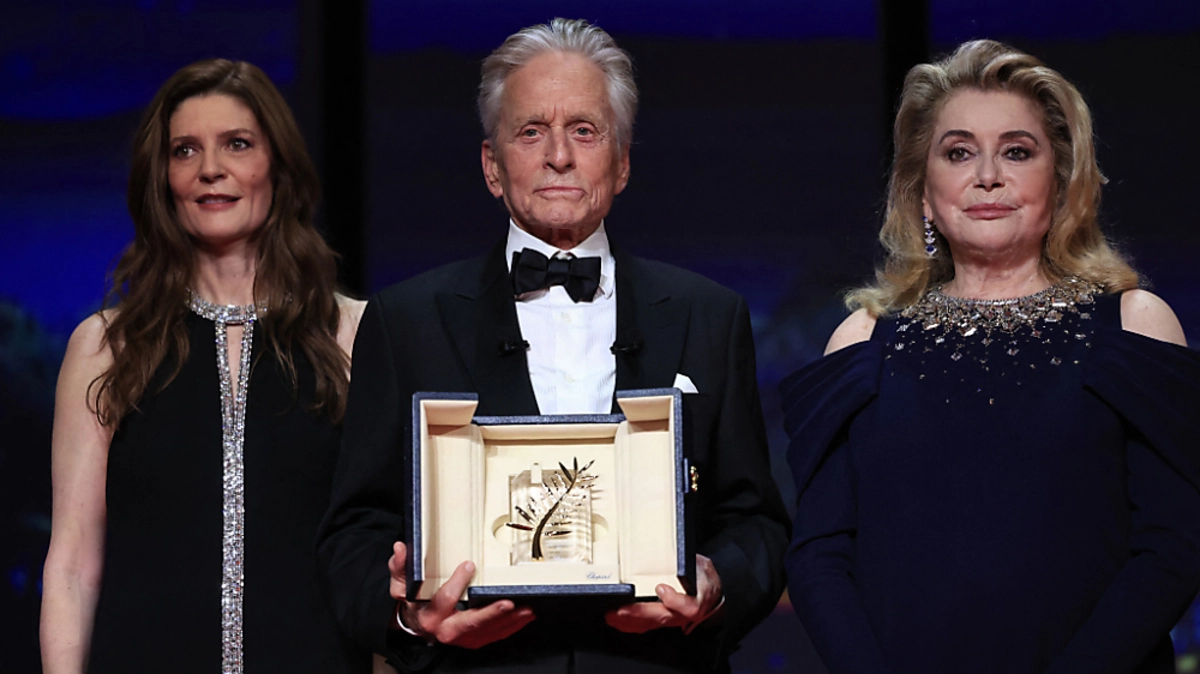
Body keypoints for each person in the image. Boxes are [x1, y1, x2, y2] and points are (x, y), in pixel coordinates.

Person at [317, 18, 789, 674]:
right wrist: (408, 615)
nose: (559, 156)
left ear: (622, 163)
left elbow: (757, 525)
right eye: (532, 130)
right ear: (492, 166)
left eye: (585, 131)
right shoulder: (405, 321)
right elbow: (354, 533)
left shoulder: (709, 316)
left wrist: (714, 586)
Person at [780, 39, 1200, 674]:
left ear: (1061, 181)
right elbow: (819, 557)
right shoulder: (863, 339)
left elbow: (1172, 547)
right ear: (923, 191)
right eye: (958, 152)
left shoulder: (1133, 324)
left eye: (1017, 151)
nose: (987, 176)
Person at [40, 59, 366, 673]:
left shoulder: (353, 334)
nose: (210, 169)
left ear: (279, 166)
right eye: (185, 150)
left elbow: (381, 558)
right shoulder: (106, 347)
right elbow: (73, 566)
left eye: (237, 144)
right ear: (162, 178)